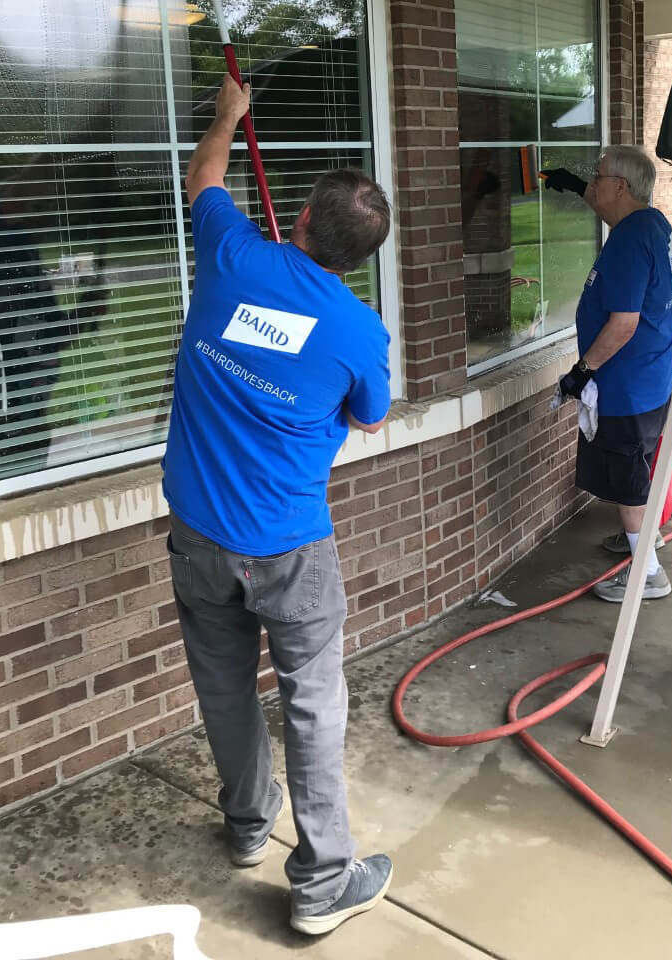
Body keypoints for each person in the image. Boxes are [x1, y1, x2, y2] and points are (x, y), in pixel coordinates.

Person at [161, 76, 393, 936]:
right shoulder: (360, 330)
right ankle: (323, 881)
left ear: (296, 220)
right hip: (290, 543)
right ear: (360, 257)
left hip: (197, 534)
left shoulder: (232, 256)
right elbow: (368, 415)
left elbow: (206, 180)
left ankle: (247, 825)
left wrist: (229, 113)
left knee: (224, 688)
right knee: (312, 702)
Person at [542, 146, 672, 603]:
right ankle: (641, 538)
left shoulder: (626, 241)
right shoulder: (652, 223)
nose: (594, 183)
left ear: (620, 187)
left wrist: (582, 371)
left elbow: (622, 324)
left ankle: (649, 572)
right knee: (636, 462)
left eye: (599, 177)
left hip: (627, 380)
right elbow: (610, 205)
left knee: (627, 473)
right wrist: (575, 185)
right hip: (653, 374)